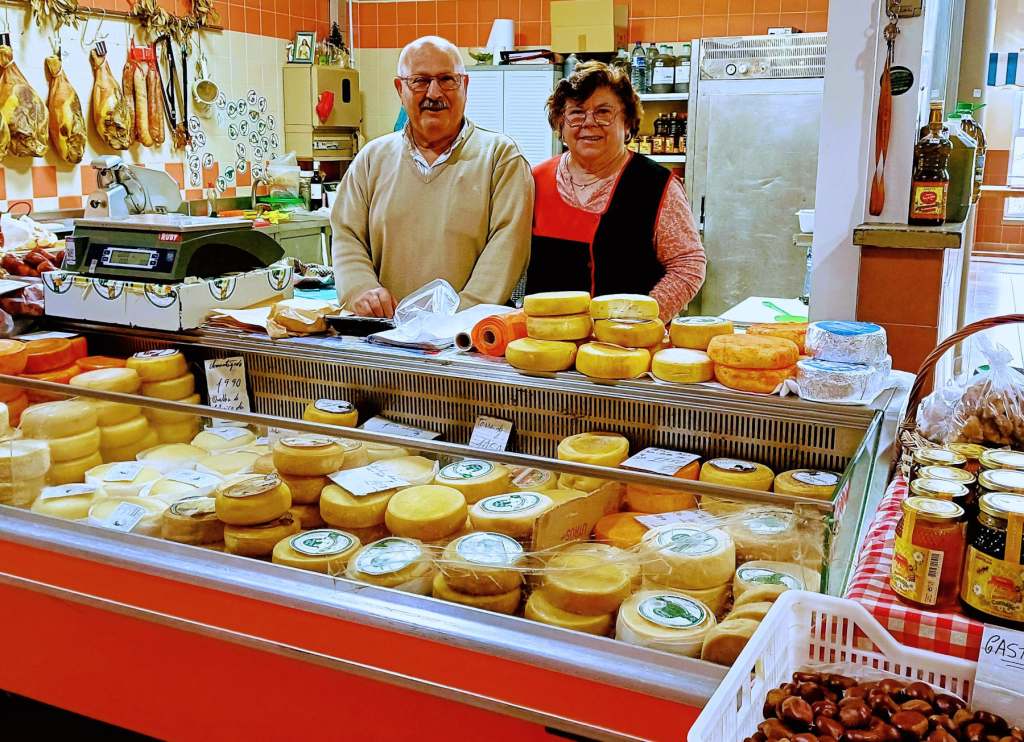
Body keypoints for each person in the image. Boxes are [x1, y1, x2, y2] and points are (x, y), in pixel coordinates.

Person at [331, 36, 534, 317]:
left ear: (465, 86)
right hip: (383, 334)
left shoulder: (501, 158)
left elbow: (507, 248)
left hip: (465, 341)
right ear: (400, 89)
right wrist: (360, 290)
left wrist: (457, 315)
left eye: (447, 80)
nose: (434, 94)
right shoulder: (371, 159)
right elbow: (347, 235)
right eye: (420, 81)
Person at [527, 61, 705, 323]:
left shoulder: (656, 186)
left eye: (603, 112)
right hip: (545, 344)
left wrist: (637, 322)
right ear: (560, 125)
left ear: (628, 123)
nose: (589, 123)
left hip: (628, 351)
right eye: (576, 113)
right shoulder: (534, 180)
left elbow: (688, 266)